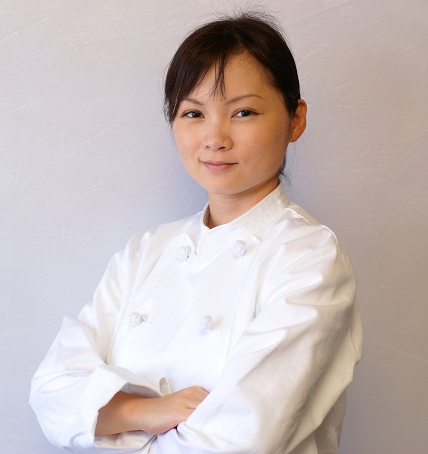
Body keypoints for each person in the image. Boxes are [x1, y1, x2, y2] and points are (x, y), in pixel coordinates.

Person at [30, 12, 362, 454]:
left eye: (243, 112)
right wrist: (146, 411)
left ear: (295, 119)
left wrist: (106, 418)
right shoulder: (145, 251)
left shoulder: (309, 258)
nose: (214, 137)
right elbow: (51, 393)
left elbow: (238, 442)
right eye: (193, 113)